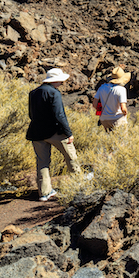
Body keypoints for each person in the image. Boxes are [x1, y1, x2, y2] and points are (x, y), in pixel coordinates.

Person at [26, 68, 83, 202]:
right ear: (55, 80)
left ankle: (44, 193)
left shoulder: (33, 93)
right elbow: (59, 115)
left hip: (36, 132)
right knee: (71, 157)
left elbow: (31, 115)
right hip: (55, 132)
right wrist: (68, 133)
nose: (63, 82)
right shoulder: (53, 93)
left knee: (42, 162)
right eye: (61, 80)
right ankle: (80, 186)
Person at [94, 66, 131, 132]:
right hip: (117, 119)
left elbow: (94, 104)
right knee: (122, 140)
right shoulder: (121, 89)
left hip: (104, 119)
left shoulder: (102, 87)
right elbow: (123, 108)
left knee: (109, 139)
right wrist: (125, 114)